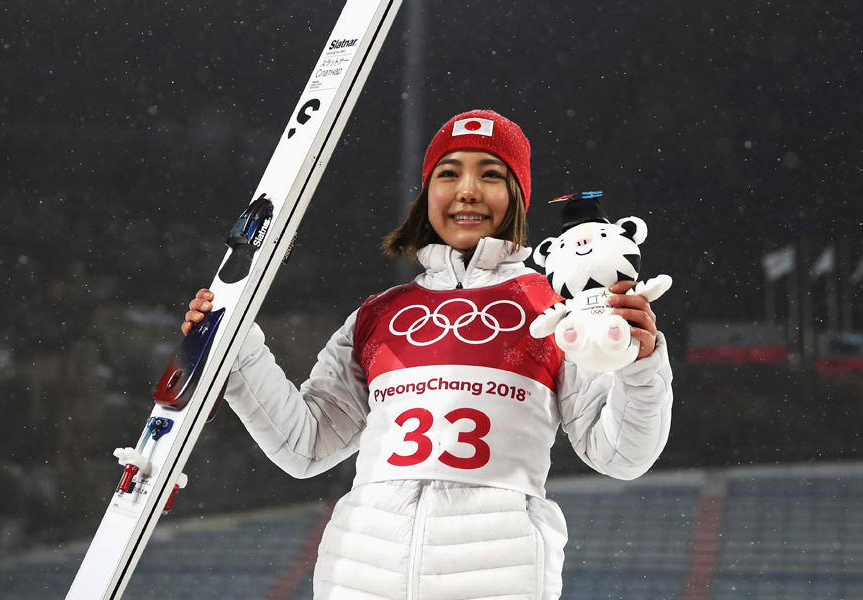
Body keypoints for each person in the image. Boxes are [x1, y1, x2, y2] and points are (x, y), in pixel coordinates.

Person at [182, 110, 673, 600]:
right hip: (358, 575)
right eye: (449, 173)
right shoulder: (378, 316)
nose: (468, 190)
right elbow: (305, 446)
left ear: (517, 198)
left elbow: (621, 455)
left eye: (491, 175)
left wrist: (640, 367)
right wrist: (237, 348)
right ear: (426, 195)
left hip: (496, 575)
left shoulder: (553, 310)